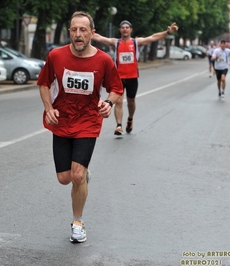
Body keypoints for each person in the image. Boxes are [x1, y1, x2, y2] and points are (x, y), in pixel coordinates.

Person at [37, 11, 123, 243]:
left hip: (87, 122)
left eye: (83, 30)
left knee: (76, 175)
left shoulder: (104, 60)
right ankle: (83, 175)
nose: (78, 34)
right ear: (69, 32)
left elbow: (116, 88)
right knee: (64, 178)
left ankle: (78, 223)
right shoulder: (56, 56)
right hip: (62, 121)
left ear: (92, 33)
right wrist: (48, 108)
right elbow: (44, 83)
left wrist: (107, 103)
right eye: (74, 29)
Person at [92, 20, 178, 135]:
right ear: (120, 30)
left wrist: (168, 32)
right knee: (118, 101)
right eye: (123, 27)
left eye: (127, 27)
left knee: (131, 102)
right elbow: (99, 38)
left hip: (132, 78)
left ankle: (130, 119)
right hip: (119, 78)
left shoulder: (136, 42)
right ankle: (119, 125)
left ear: (131, 30)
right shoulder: (116, 42)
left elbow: (153, 37)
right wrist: (87, 31)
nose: (125, 29)